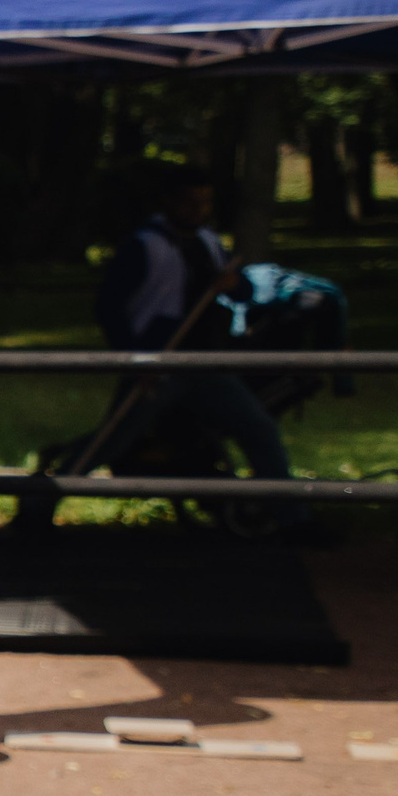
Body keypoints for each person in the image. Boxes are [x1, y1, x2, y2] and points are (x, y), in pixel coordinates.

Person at [88, 166, 313, 534]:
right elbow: (109, 308)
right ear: (168, 201)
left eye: (204, 202)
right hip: (158, 363)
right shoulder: (145, 245)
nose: (197, 209)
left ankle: (293, 521)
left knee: (258, 429)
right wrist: (134, 357)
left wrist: (232, 284)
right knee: (114, 440)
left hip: (204, 364)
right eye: (188, 202)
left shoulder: (208, 241)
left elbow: (239, 292)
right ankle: (38, 505)